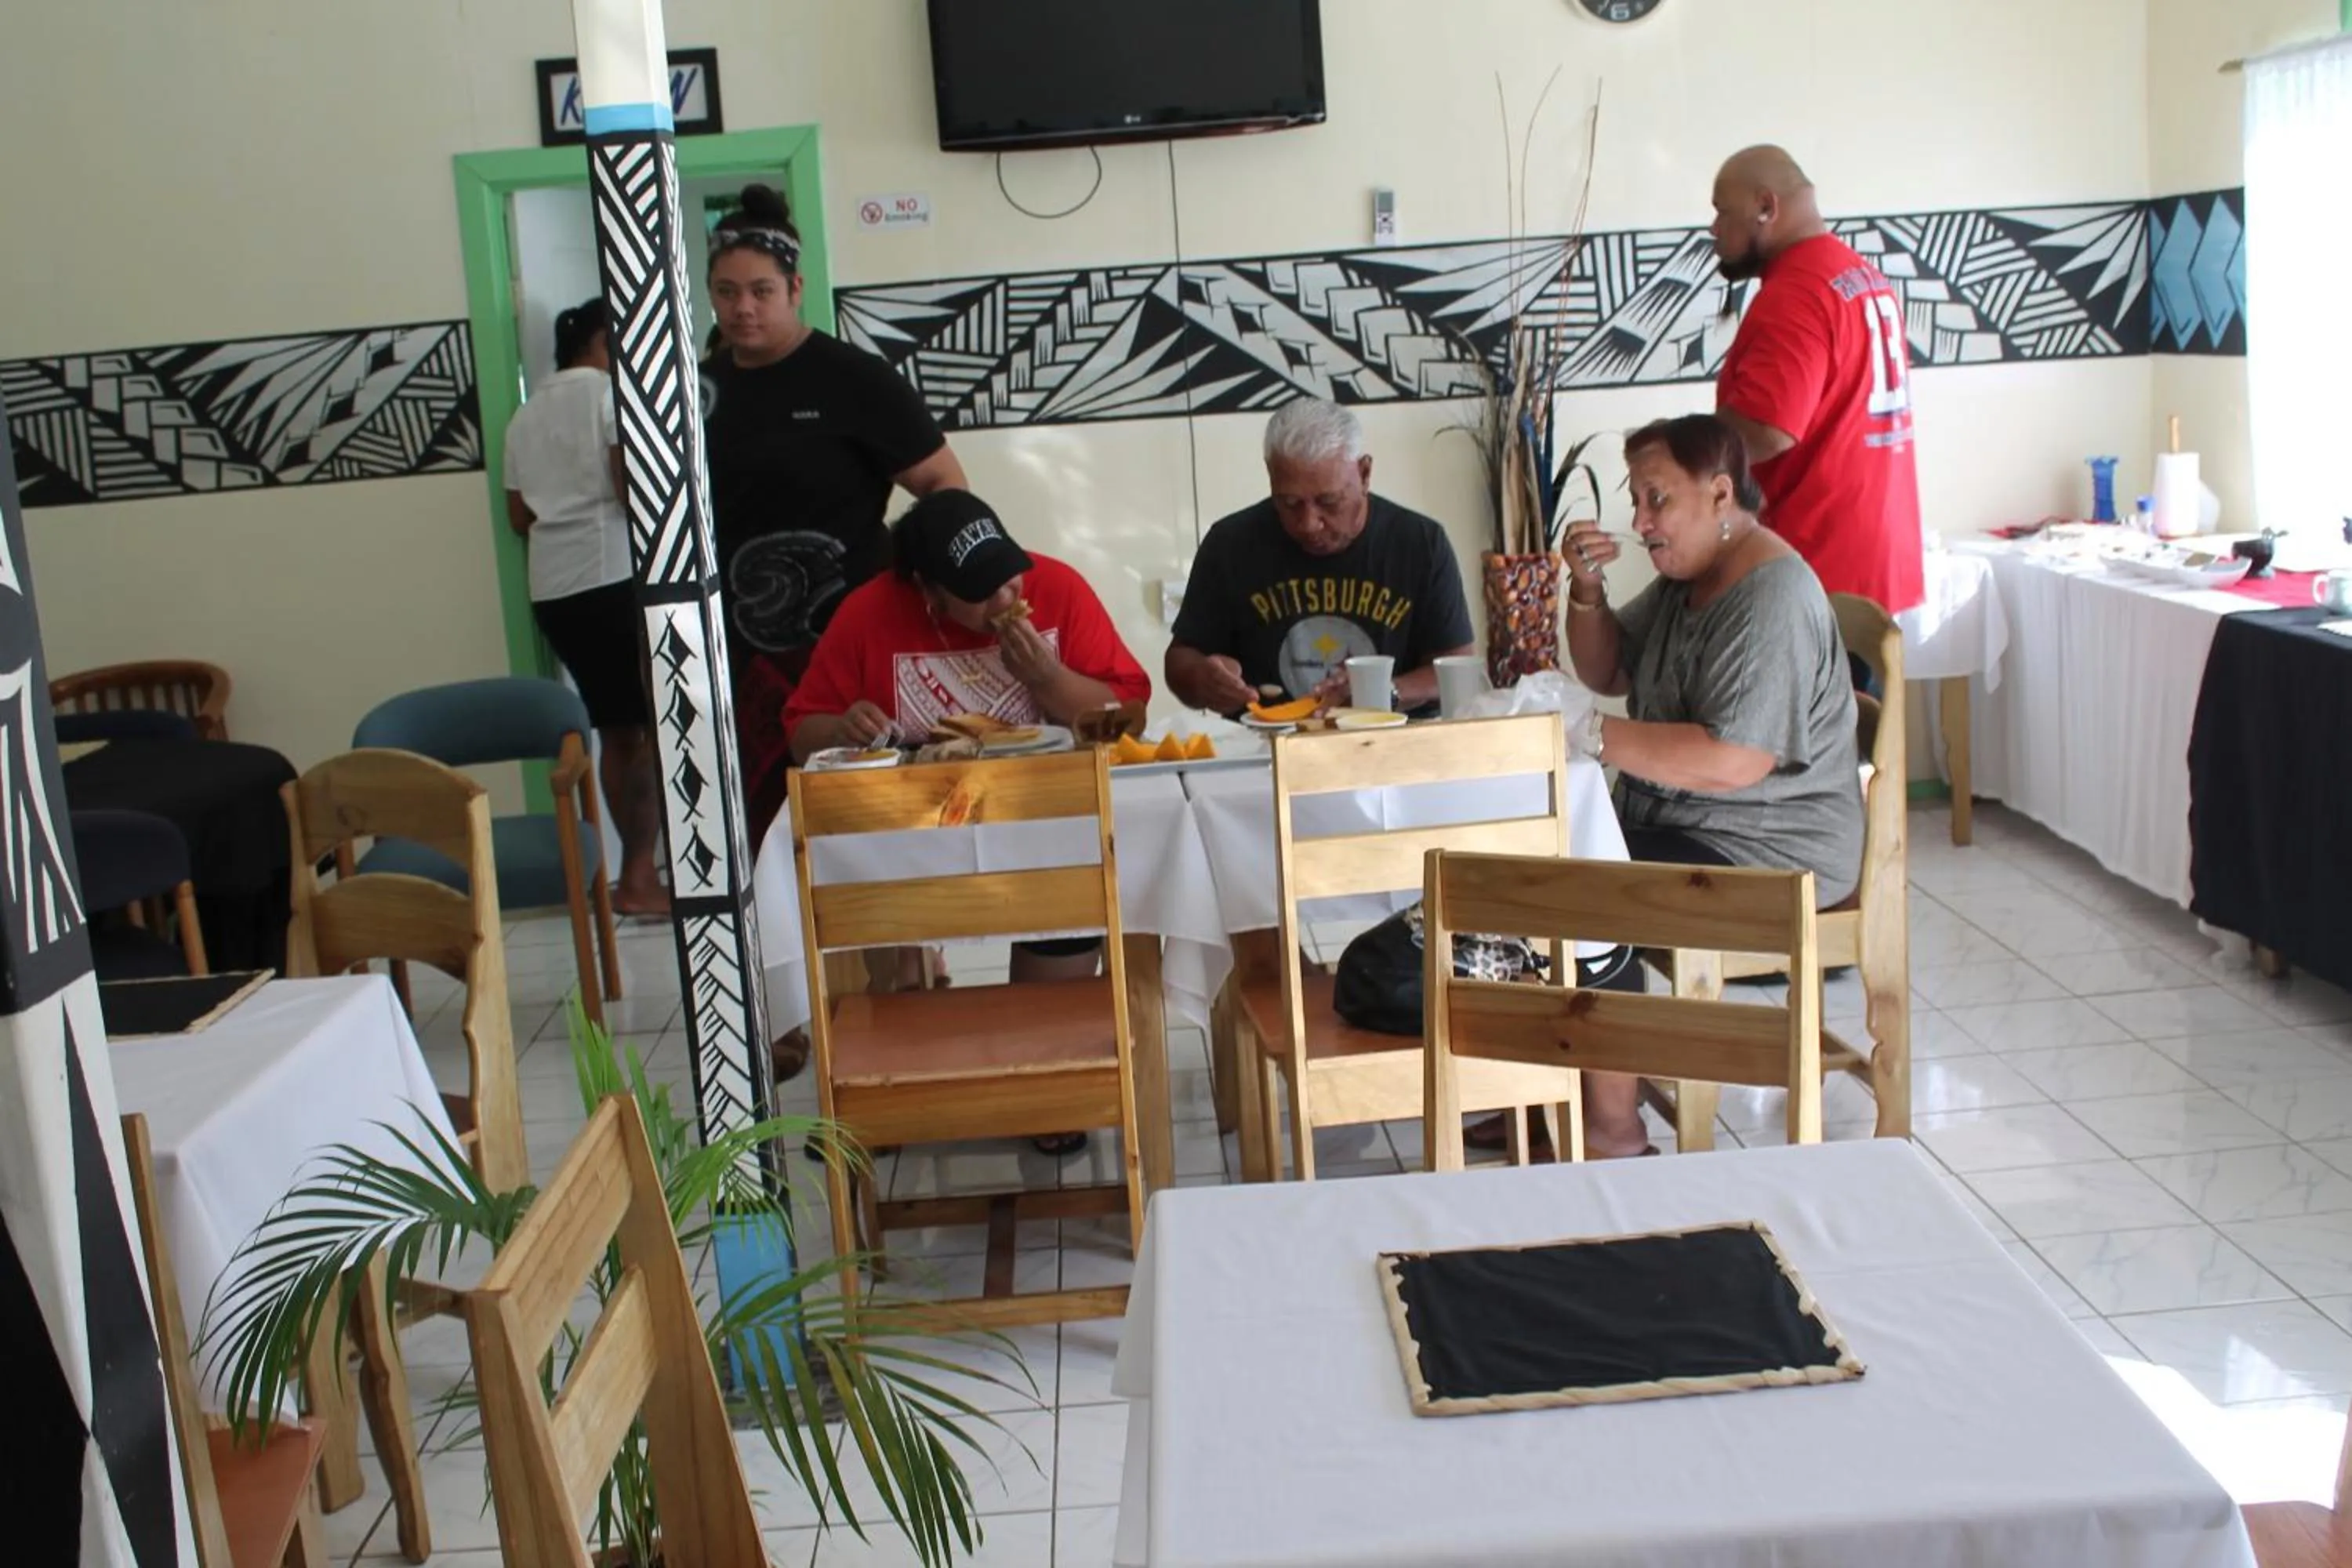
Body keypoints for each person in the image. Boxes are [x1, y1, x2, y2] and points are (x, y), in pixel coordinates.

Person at [786, 488, 1152, 1155]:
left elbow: (1128, 717)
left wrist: (1050, 681)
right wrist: (842, 727)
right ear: (929, 592)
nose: (1007, 597)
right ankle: (888, 1085)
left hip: (1046, 836)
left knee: (1065, 920)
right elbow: (801, 733)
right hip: (915, 836)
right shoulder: (870, 613)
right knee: (877, 900)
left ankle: (1050, 1085)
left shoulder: (1059, 589)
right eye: (981, 593)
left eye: (1008, 574)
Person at [1560, 414, 1864, 1157]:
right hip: (1690, 822)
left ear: (1721, 492)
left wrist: (1587, 735)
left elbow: (1735, 760)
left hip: (1768, 848)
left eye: (1656, 500)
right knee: (1538, 855)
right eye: (1637, 500)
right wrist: (1589, 590)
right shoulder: (1689, 579)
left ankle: (1612, 1127)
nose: (1639, 521)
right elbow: (1608, 672)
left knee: (1575, 882)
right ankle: (1559, 1085)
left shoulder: (1771, 597)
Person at [700, 183, 968, 842]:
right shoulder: (699, 387)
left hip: (849, 637)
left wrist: (924, 592)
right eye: (727, 292)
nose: (743, 308)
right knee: (764, 829)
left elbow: (945, 487)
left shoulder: (853, 378)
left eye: (761, 291)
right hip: (737, 648)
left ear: (795, 289)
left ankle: (911, 948)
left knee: (867, 827)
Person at [1709, 146, 1924, 622]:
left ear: (1766, 207)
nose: (1714, 229)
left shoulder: (1795, 294)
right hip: (1873, 562)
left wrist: (1688, 446)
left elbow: (1768, 429)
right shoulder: (1857, 274)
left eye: (1723, 211)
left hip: (1816, 567)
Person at [502, 298, 667, 916]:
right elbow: (633, 489)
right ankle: (639, 879)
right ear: (603, 342)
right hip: (614, 578)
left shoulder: (523, 415)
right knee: (654, 731)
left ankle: (634, 874)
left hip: (556, 590)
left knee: (617, 734)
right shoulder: (609, 396)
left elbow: (520, 516)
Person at [1167, 399, 1475, 715]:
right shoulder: (1230, 544)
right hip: (1265, 746)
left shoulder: (1419, 543)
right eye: (1289, 503)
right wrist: (1201, 679)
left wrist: (1383, 692)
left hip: (1393, 744)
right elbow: (1181, 659)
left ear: (1365, 473)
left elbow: (1457, 667)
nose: (1309, 523)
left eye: (1329, 502)